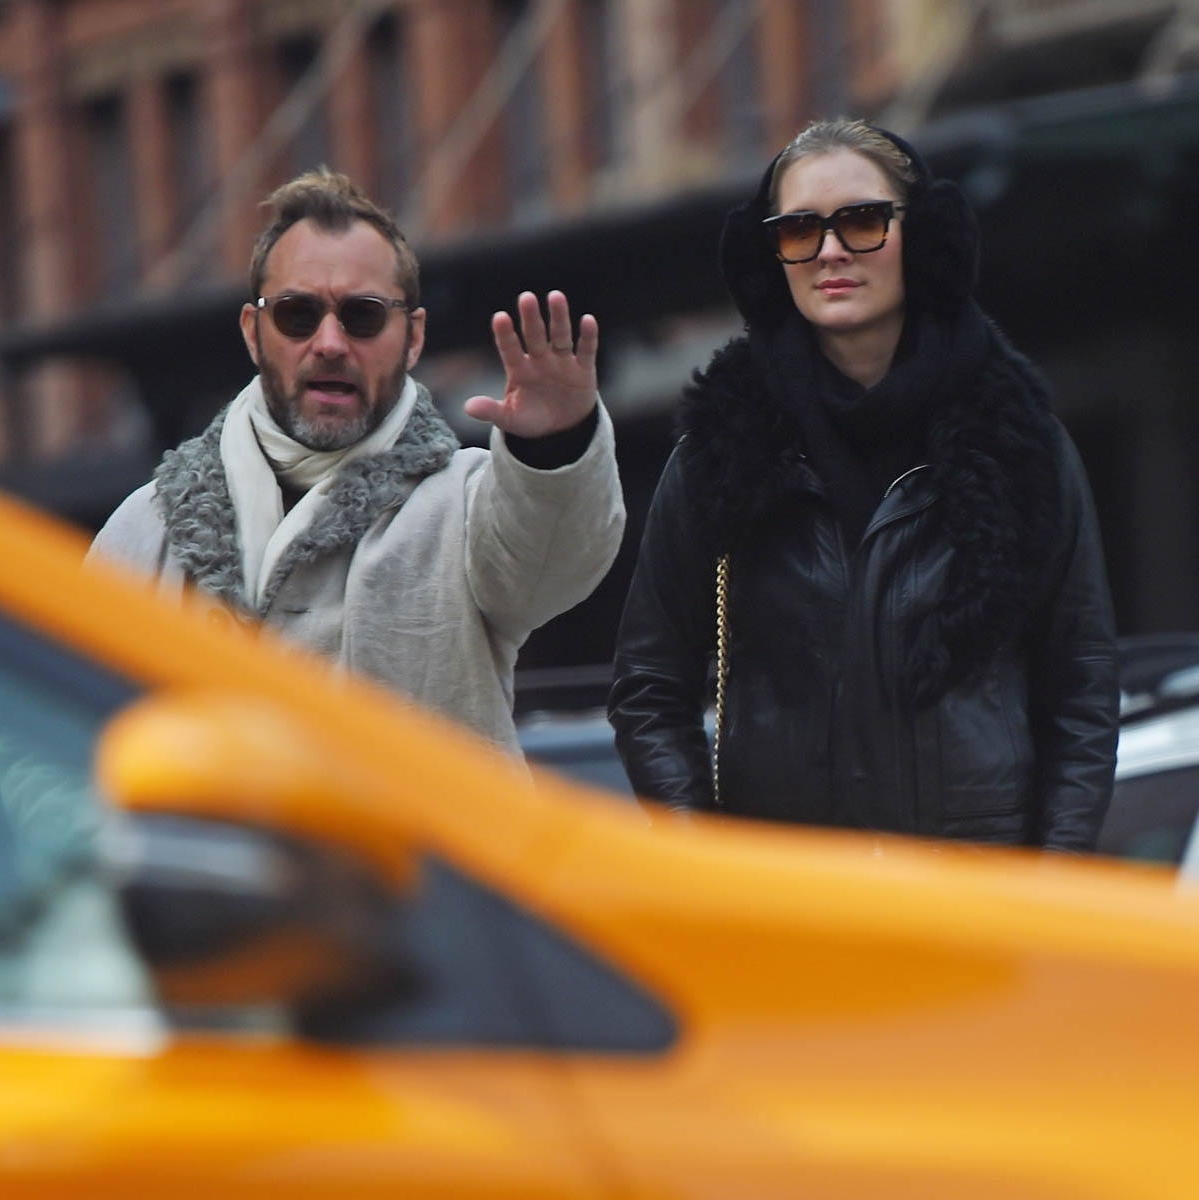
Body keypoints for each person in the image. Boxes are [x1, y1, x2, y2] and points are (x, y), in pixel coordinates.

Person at [608, 119, 1118, 850]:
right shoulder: (723, 452)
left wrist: (1050, 884)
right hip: (789, 896)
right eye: (798, 230)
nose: (830, 252)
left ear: (926, 237)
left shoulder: (1019, 444)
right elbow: (649, 687)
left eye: (862, 221)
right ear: (770, 255)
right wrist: (711, 865)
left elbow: (1081, 687)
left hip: (973, 895)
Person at [90, 168, 625, 755]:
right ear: (253, 332)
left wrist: (554, 446)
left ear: (413, 338)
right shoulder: (144, 531)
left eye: (362, 315)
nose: (329, 343)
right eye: (297, 314)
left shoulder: (466, 502)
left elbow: (552, 564)